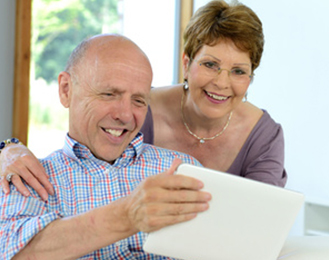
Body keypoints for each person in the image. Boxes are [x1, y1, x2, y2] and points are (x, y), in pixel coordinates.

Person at [0, 0, 287, 202]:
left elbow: (264, 217)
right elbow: (80, 157)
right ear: (187, 64)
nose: (222, 82)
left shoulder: (264, 135)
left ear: (250, 77)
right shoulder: (139, 108)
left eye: (238, 71)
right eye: (210, 64)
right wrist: (8, 149)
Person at [0, 34, 211, 259]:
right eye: (109, 94)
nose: (125, 115)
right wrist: (126, 216)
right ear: (65, 90)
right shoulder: (29, 177)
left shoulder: (184, 169)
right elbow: (12, 252)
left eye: (139, 100)